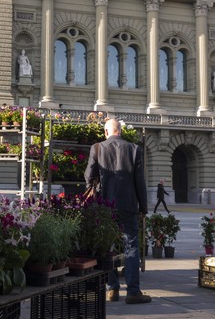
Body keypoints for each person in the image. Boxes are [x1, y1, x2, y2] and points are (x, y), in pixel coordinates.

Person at [84, 118, 152, 304]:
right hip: (128, 205)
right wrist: (143, 207)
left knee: (107, 247)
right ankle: (133, 292)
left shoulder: (97, 148)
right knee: (131, 246)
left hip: (105, 206)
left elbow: (89, 176)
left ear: (106, 132)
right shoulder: (134, 149)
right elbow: (140, 181)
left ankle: (112, 289)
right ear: (120, 131)